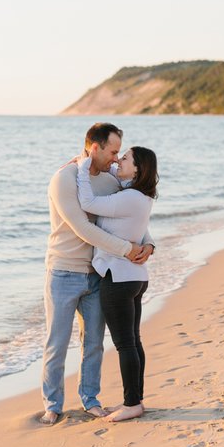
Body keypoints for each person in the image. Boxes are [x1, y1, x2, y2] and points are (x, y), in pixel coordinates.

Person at [40, 123, 155, 425]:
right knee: (58, 341)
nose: (117, 160)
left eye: (120, 154)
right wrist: (127, 249)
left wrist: (148, 243)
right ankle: (52, 404)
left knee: (93, 343)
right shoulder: (63, 179)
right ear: (95, 148)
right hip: (64, 271)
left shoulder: (109, 181)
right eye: (114, 152)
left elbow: (131, 214)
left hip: (96, 274)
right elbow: (83, 228)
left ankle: (90, 399)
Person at [75, 145, 159, 422]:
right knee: (133, 341)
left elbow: (87, 203)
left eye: (125, 158)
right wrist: (99, 161)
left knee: (125, 344)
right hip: (134, 278)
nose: (118, 160)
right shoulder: (139, 196)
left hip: (118, 278)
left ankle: (132, 403)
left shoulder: (130, 197)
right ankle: (137, 399)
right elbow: (114, 172)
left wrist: (80, 168)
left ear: (137, 168)